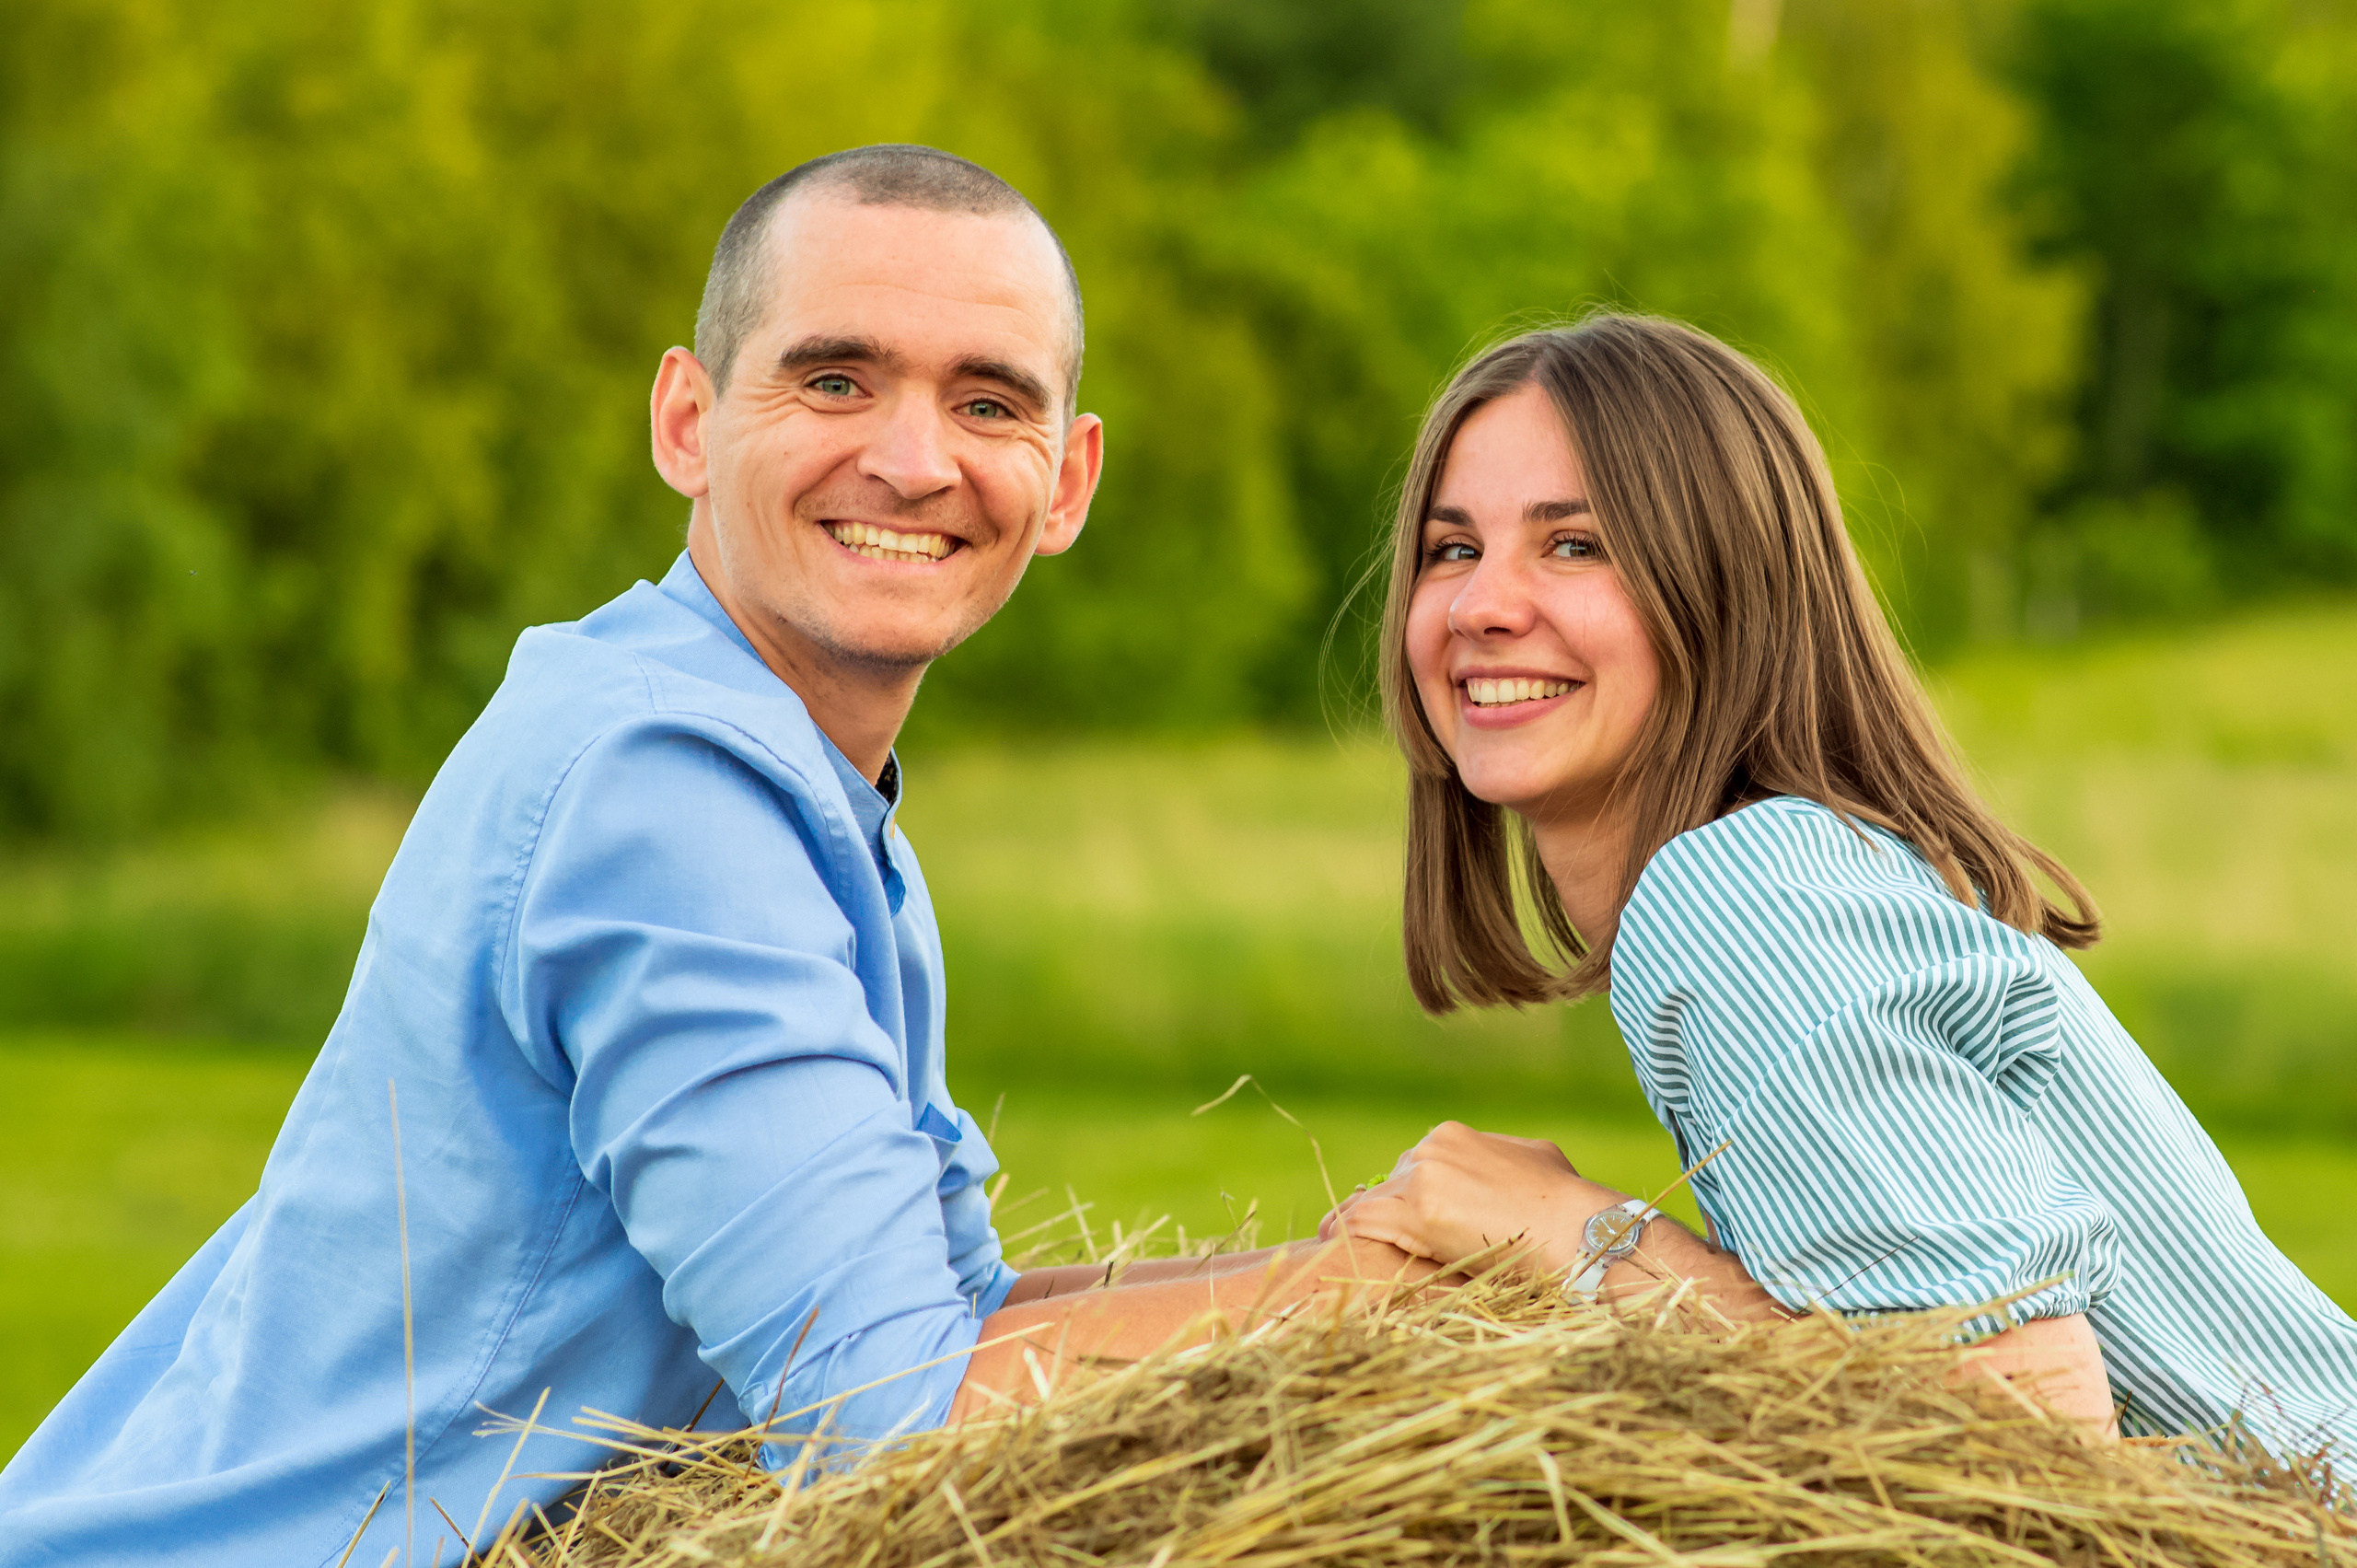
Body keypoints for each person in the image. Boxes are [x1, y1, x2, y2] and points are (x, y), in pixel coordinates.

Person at [0, 145, 1420, 1568]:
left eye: (989, 401)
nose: (916, 460)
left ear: (1067, 481)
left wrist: (1394, 1247)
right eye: (835, 380)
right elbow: (901, 1420)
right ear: (688, 419)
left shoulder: (792, 779)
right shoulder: (661, 785)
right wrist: (1382, 1282)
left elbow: (955, 1315)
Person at [1320, 314, 2357, 1454]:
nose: (1479, 605)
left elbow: (2017, 1425)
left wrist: (1576, 1238)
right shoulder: (1795, 879)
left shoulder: (1744, 897)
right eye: (1449, 549)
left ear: (1725, 590)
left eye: (1574, 545)